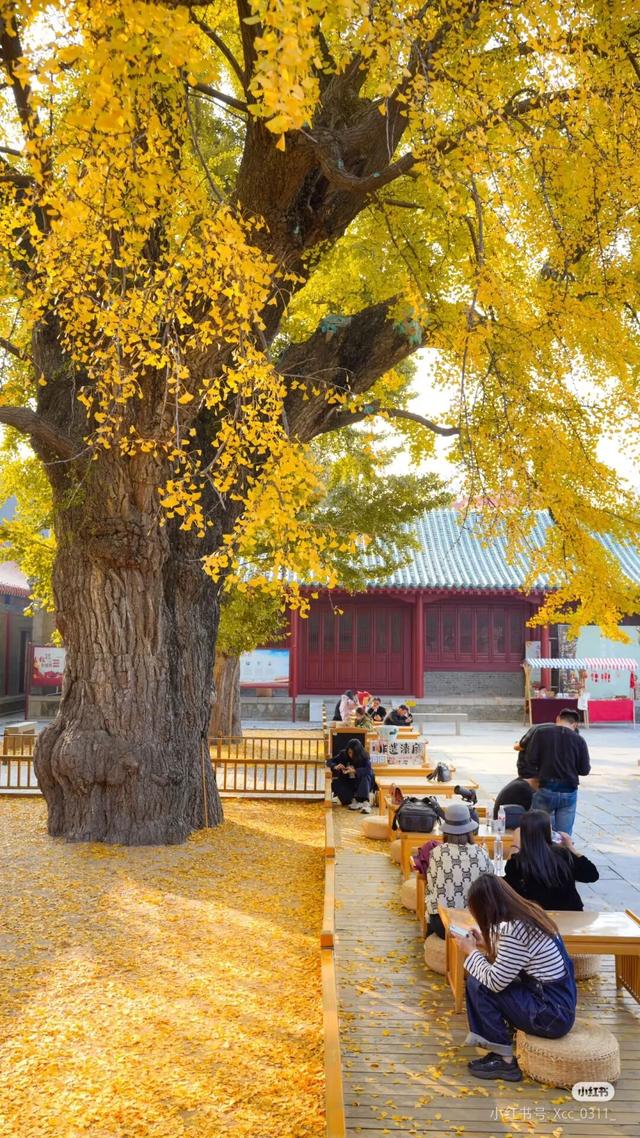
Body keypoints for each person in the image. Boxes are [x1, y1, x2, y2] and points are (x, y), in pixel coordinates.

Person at [454, 875, 577, 1082]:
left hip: (550, 1016)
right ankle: (502, 1044)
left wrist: (471, 951)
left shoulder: (515, 931)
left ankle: (504, 1060)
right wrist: (487, 942)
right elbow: (517, 956)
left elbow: (495, 981)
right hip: (559, 1006)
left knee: (479, 982)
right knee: (487, 973)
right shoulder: (530, 913)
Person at [505, 810, 599, 911]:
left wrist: (516, 844)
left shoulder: (518, 861)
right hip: (571, 913)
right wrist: (571, 848)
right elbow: (592, 875)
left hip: (538, 917)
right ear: (548, 831)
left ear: (523, 833)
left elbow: (508, 881)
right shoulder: (563, 854)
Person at [424, 804, 494, 939]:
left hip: (443, 924)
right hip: (475, 923)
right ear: (470, 830)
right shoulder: (481, 853)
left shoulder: (437, 853)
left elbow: (431, 887)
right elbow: (490, 886)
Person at [523, 708, 590, 834]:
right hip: (569, 791)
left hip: (546, 788)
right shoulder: (579, 740)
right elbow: (584, 770)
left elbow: (530, 759)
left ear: (558, 719)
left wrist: (534, 776)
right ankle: (564, 851)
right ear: (575, 725)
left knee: (537, 830)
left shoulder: (541, 732)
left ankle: (539, 851)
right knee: (564, 834)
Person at [326, 738, 373, 813]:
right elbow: (329, 762)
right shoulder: (343, 754)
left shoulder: (365, 756)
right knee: (335, 783)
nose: (351, 755)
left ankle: (364, 802)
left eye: (353, 753)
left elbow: (368, 769)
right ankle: (354, 800)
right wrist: (335, 766)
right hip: (348, 782)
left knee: (366, 775)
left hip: (360, 783)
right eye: (350, 752)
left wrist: (355, 771)